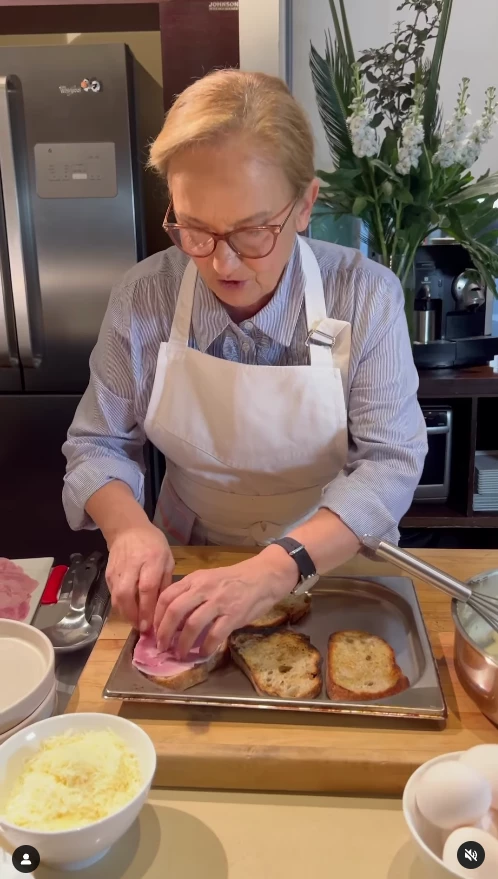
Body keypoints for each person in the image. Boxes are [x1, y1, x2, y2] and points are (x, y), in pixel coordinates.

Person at [63, 69, 427, 660]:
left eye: (254, 231)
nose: (223, 263)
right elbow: (98, 443)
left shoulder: (364, 295)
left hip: (327, 555)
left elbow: (390, 463)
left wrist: (274, 569)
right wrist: (128, 529)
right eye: (195, 230)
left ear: (305, 204)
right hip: (187, 554)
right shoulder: (144, 297)